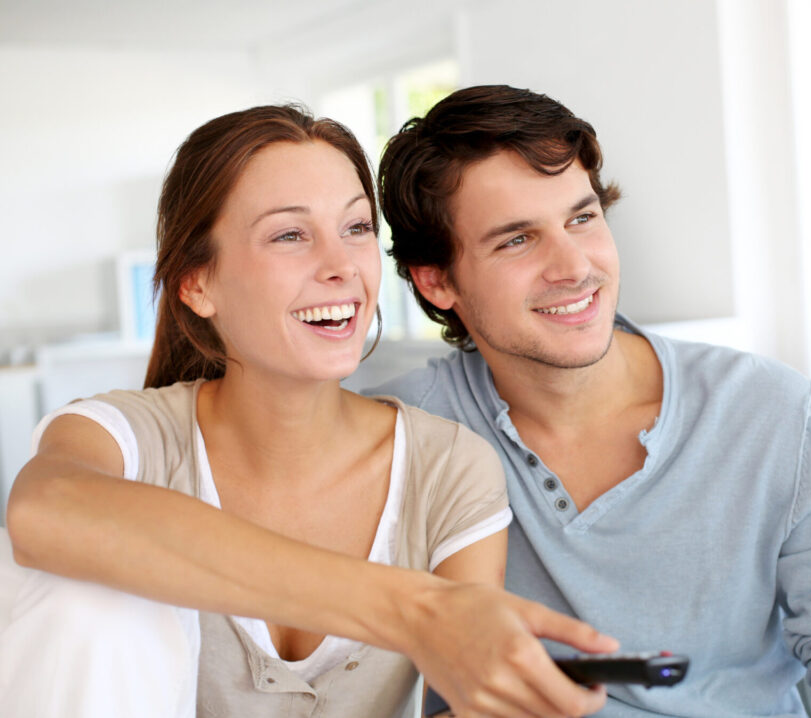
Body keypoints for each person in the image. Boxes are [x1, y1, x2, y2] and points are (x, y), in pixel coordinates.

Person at [1, 104, 618, 718]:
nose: (341, 266)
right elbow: (42, 511)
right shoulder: (126, 438)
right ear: (197, 284)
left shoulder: (446, 464)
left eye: (355, 229)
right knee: (85, 592)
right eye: (290, 235)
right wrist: (414, 610)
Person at [371, 85, 811, 718]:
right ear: (436, 279)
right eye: (516, 240)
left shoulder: (774, 413)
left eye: (582, 218)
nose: (574, 266)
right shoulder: (398, 435)